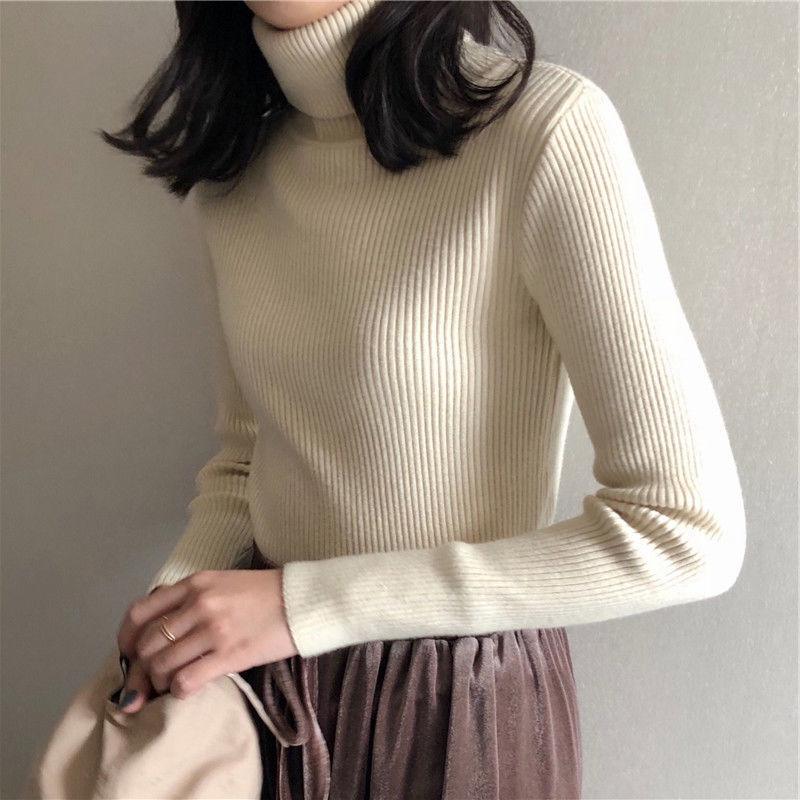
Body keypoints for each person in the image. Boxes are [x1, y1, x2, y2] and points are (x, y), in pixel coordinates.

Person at [103, 1, 747, 797]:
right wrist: (163, 633)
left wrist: (305, 605)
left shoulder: (541, 129)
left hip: (460, 709)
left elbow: (684, 529)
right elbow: (248, 458)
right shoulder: (233, 176)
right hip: (258, 697)